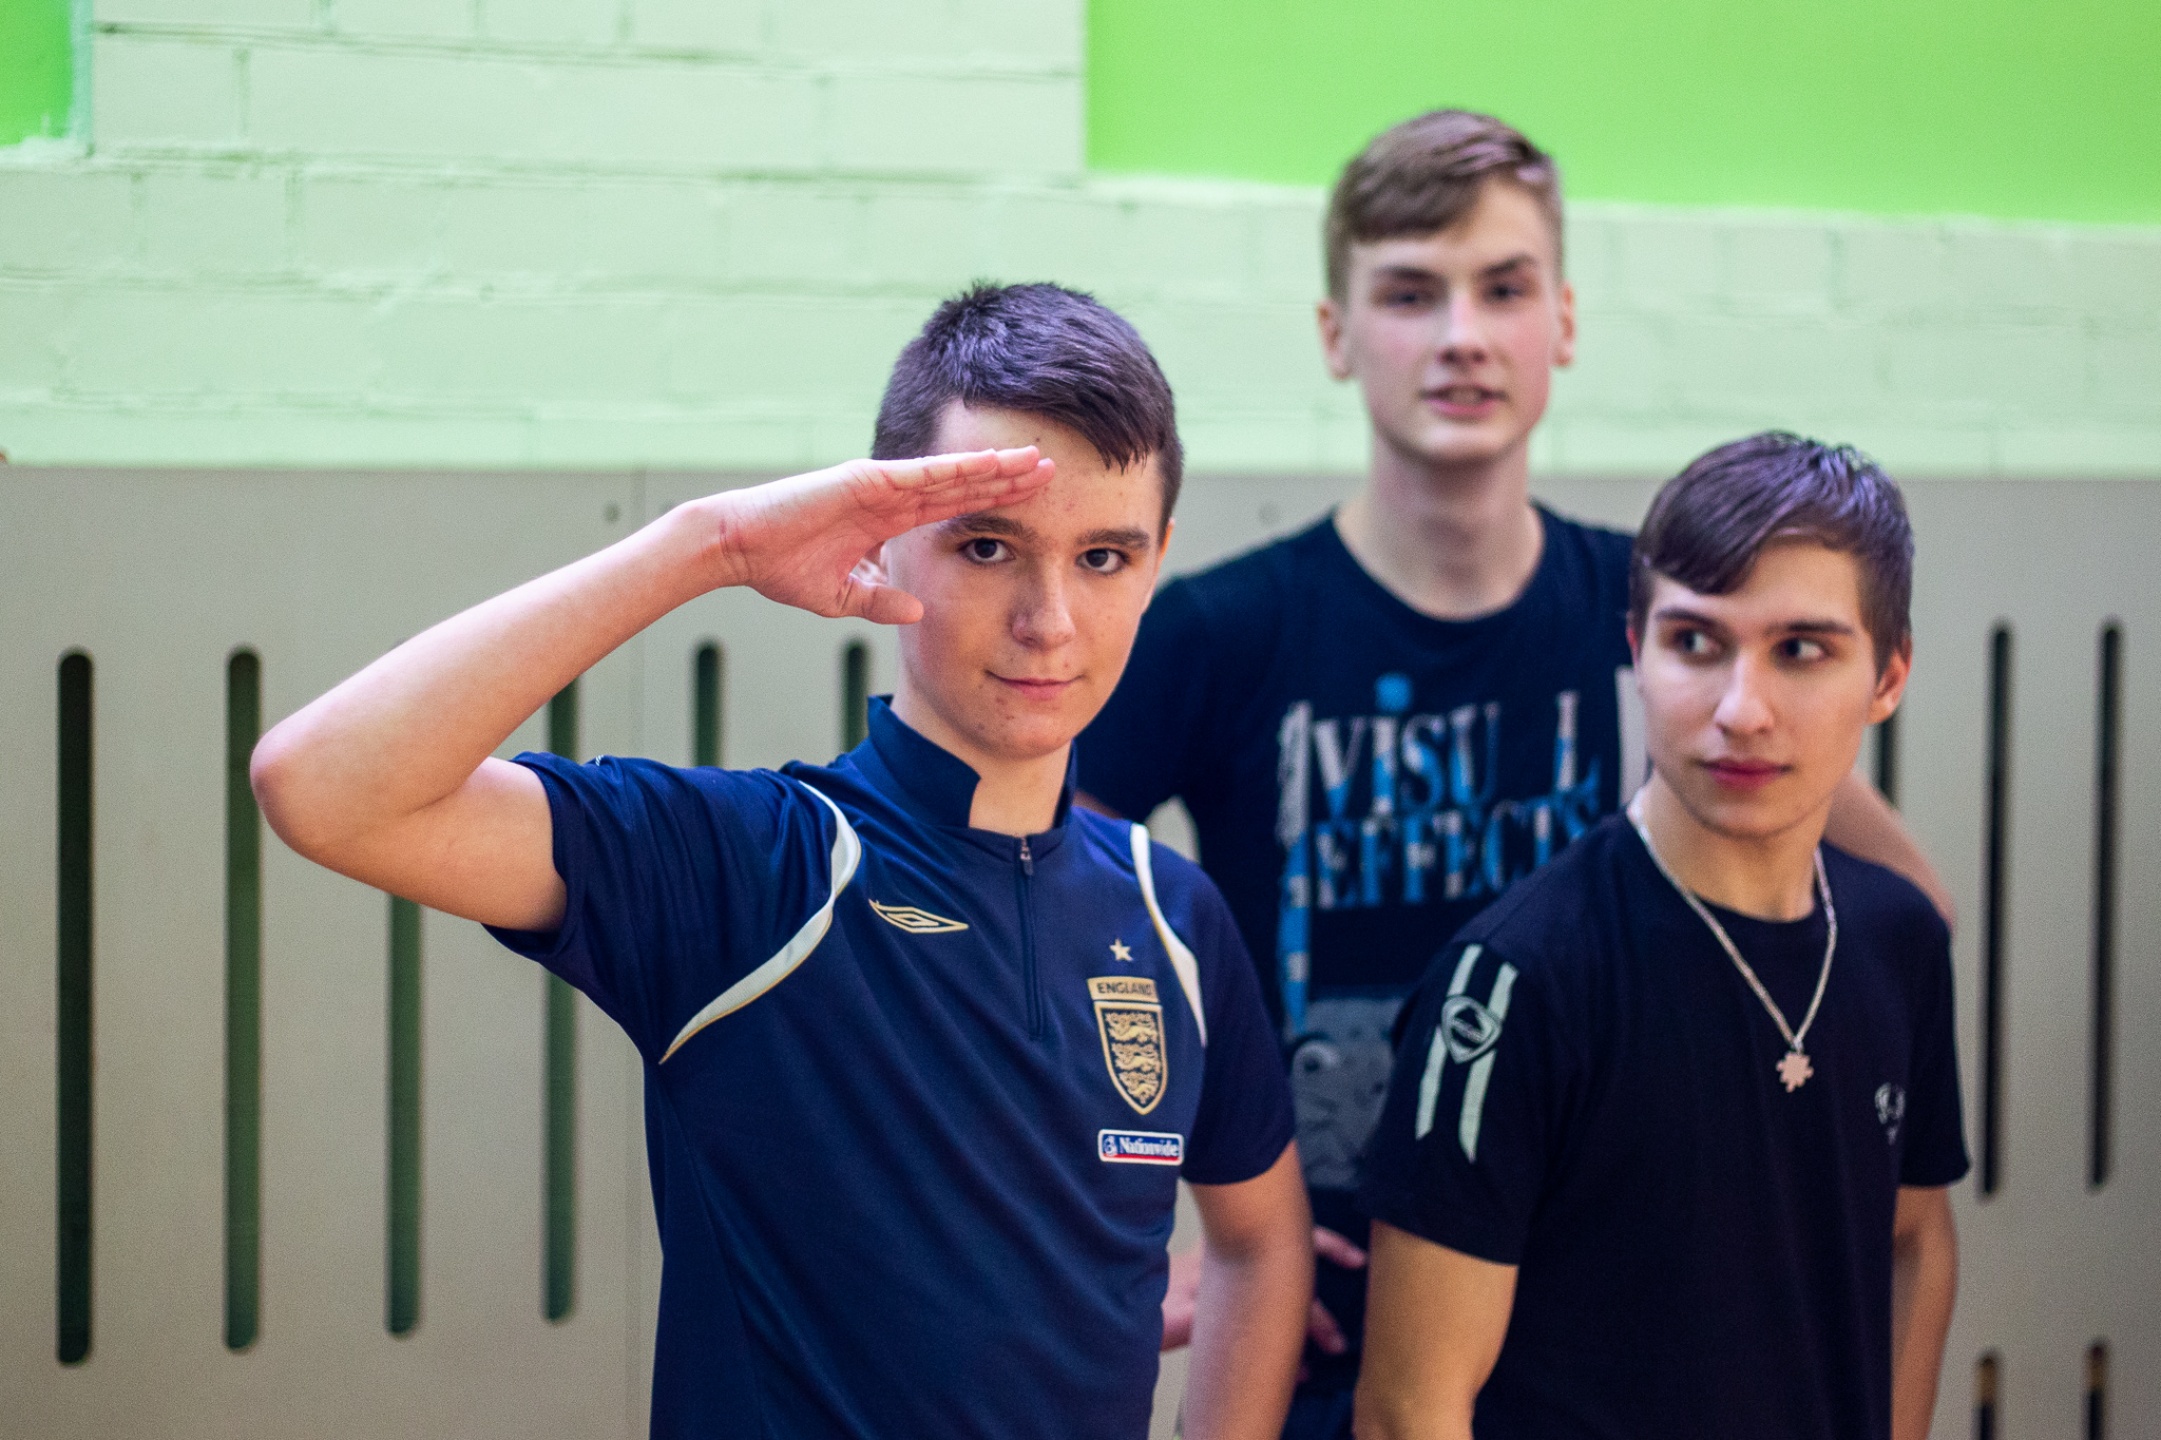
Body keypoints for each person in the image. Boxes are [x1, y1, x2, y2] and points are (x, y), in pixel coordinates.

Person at [251, 282, 1313, 1440]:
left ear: (1157, 562)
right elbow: (322, 788)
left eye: (1103, 557)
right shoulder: (754, 868)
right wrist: (709, 545)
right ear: (886, 540)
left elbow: (1261, 1244)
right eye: (987, 545)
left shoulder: (1170, 914)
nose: (1048, 619)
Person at [1077, 110, 1949, 1436]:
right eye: (1409, 294)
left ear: (1564, 320)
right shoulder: (1223, 631)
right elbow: (1032, 921)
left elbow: (1896, 907)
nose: (1461, 337)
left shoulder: (1661, 615)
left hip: (1603, 1310)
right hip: (1338, 1328)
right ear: (1336, 333)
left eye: (1502, 288)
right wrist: (1173, 1213)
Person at [1356, 433, 1966, 1440]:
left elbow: (1914, 1239)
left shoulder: (1898, 940)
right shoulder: (1511, 982)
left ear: (1887, 675)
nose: (1740, 710)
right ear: (1636, 651)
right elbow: (1407, 1406)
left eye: (1799, 650)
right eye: (1695, 643)